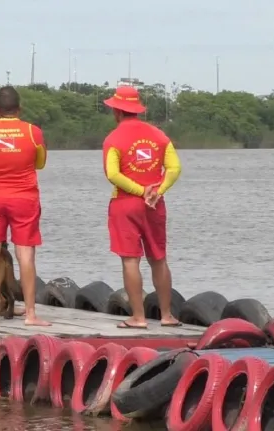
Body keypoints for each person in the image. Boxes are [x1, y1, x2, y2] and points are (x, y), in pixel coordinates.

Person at [101, 85, 182, 329]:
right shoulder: (159, 135)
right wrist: (157, 191)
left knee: (130, 260)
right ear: (137, 110)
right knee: (159, 258)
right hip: (155, 204)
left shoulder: (113, 139)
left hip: (126, 204)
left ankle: (138, 317)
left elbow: (113, 174)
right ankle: (167, 315)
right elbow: (175, 168)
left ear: (117, 111)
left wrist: (138, 190)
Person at [0, 85, 50, 326]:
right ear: (19, 108)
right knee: (25, 254)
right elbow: (40, 163)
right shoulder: (32, 132)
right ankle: (30, 314)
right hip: (24, 198)